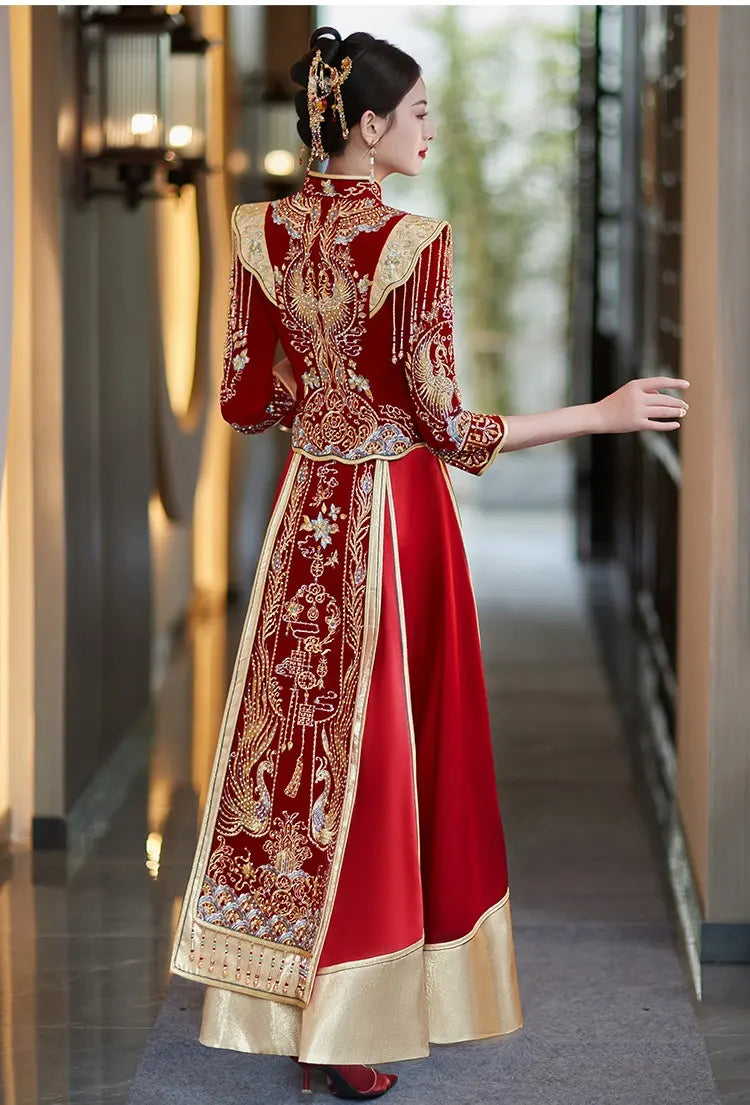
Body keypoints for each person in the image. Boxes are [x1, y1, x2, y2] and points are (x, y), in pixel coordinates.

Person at [170, 25, 690, 1101]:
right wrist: (601, 412)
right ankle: (353, 1021)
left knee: (304, 756)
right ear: (366, 126)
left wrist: (324, 398)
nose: (428, 129)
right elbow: (451, 427)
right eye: (415, 115)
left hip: (303, 515)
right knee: (393, 753)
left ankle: (300, 999)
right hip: (397, 516)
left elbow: (244, 400)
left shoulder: (255, 231)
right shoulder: (416, 244)